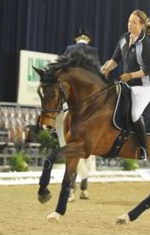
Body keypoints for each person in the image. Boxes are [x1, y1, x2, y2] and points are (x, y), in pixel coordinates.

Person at [100, 9, 150, 161]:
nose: (130, 25)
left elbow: (149, 69)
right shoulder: (124, 39)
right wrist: (104, 69)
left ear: (142, 25)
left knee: (135, 114)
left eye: (134, 22)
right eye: (129, 21)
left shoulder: (146, 44)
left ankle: (144, 149)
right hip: (127, 84)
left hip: (143, 87)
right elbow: (115, 59)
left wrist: (131, 75)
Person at [62, 28, 100, 201]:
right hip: (89, 102)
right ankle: (84, 186)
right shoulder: (93, 52)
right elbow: (97, 75)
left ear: (76, 39)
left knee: (59, 116)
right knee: (89, 149)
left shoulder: (69, 49)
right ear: (88, 40)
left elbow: (63, 72)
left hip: (72, 100)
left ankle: (70, 188)